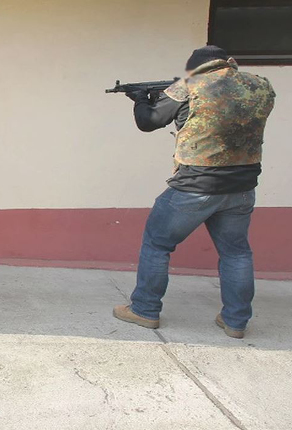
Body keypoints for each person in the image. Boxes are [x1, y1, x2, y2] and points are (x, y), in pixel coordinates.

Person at [113, 46, 275, 338]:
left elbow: (148, 122)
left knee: (157, 244)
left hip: (195, 185)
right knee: (236, 253)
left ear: (196, 67)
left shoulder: (190, 86)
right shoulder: (259, 86)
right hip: (242, 186)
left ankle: (145, 310)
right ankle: (236, 321)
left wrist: (140, 100)